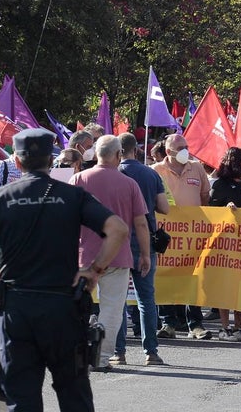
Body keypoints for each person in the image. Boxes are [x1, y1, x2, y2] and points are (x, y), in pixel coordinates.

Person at [0, 128, 130, 410]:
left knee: (22, 396)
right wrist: (94, 270)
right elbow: (117, 228)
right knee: (74, 393)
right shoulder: (72, 195)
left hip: (17, 308)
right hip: (63, 306)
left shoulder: (0, 197)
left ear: (17, 162)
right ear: (50, 160)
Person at [70, 134, 152, 371]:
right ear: (118, 155)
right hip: (118, 256)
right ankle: (102, 357)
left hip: (83, 255)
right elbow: (141, 224)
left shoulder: (78, 179)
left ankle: (72, 354)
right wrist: (145, 254)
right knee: (113, 308)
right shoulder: (129, 184)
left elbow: (66, 219)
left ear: (95, 154)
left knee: (75, 306)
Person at [114, 133, 168, 365]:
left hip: (118, 242)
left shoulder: (114, 175)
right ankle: (151, 352)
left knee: (118, 299)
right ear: (135, 149)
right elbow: (164, 207)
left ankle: (119, 352)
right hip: (145, 240)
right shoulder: (150, 173)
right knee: (146, 298)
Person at [152, 134, 213, 340]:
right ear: (168, 152)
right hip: (167, 234)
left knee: (193, 277)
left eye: (187, 145)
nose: (186, 150)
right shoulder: (155, 171)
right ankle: (168, 322)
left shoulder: (196, 168)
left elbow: (205, 196)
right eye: (180, 147)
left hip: (192, 235)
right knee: (166, 275)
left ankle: (195, 324)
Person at [208, 147, 241, 343]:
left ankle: (240, 327)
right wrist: (225, 209)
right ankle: (225, 328)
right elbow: (211, 209)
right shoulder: (220, 184)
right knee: (225, 285)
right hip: (224, 245)